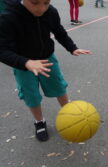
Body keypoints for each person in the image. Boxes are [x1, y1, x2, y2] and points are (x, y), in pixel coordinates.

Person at [0, 0, 91, 141]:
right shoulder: (8, 17)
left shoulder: (51, 12)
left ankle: (70, 113)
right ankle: (39, 121)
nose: (41, 8)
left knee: (59, 87)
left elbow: (59, 32)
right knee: (32, 96)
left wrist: (72, 47)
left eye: (46, 2)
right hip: (24, 65)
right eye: (35, 3)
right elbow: (2, 50)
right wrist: (26, 62)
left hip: (47, 59)